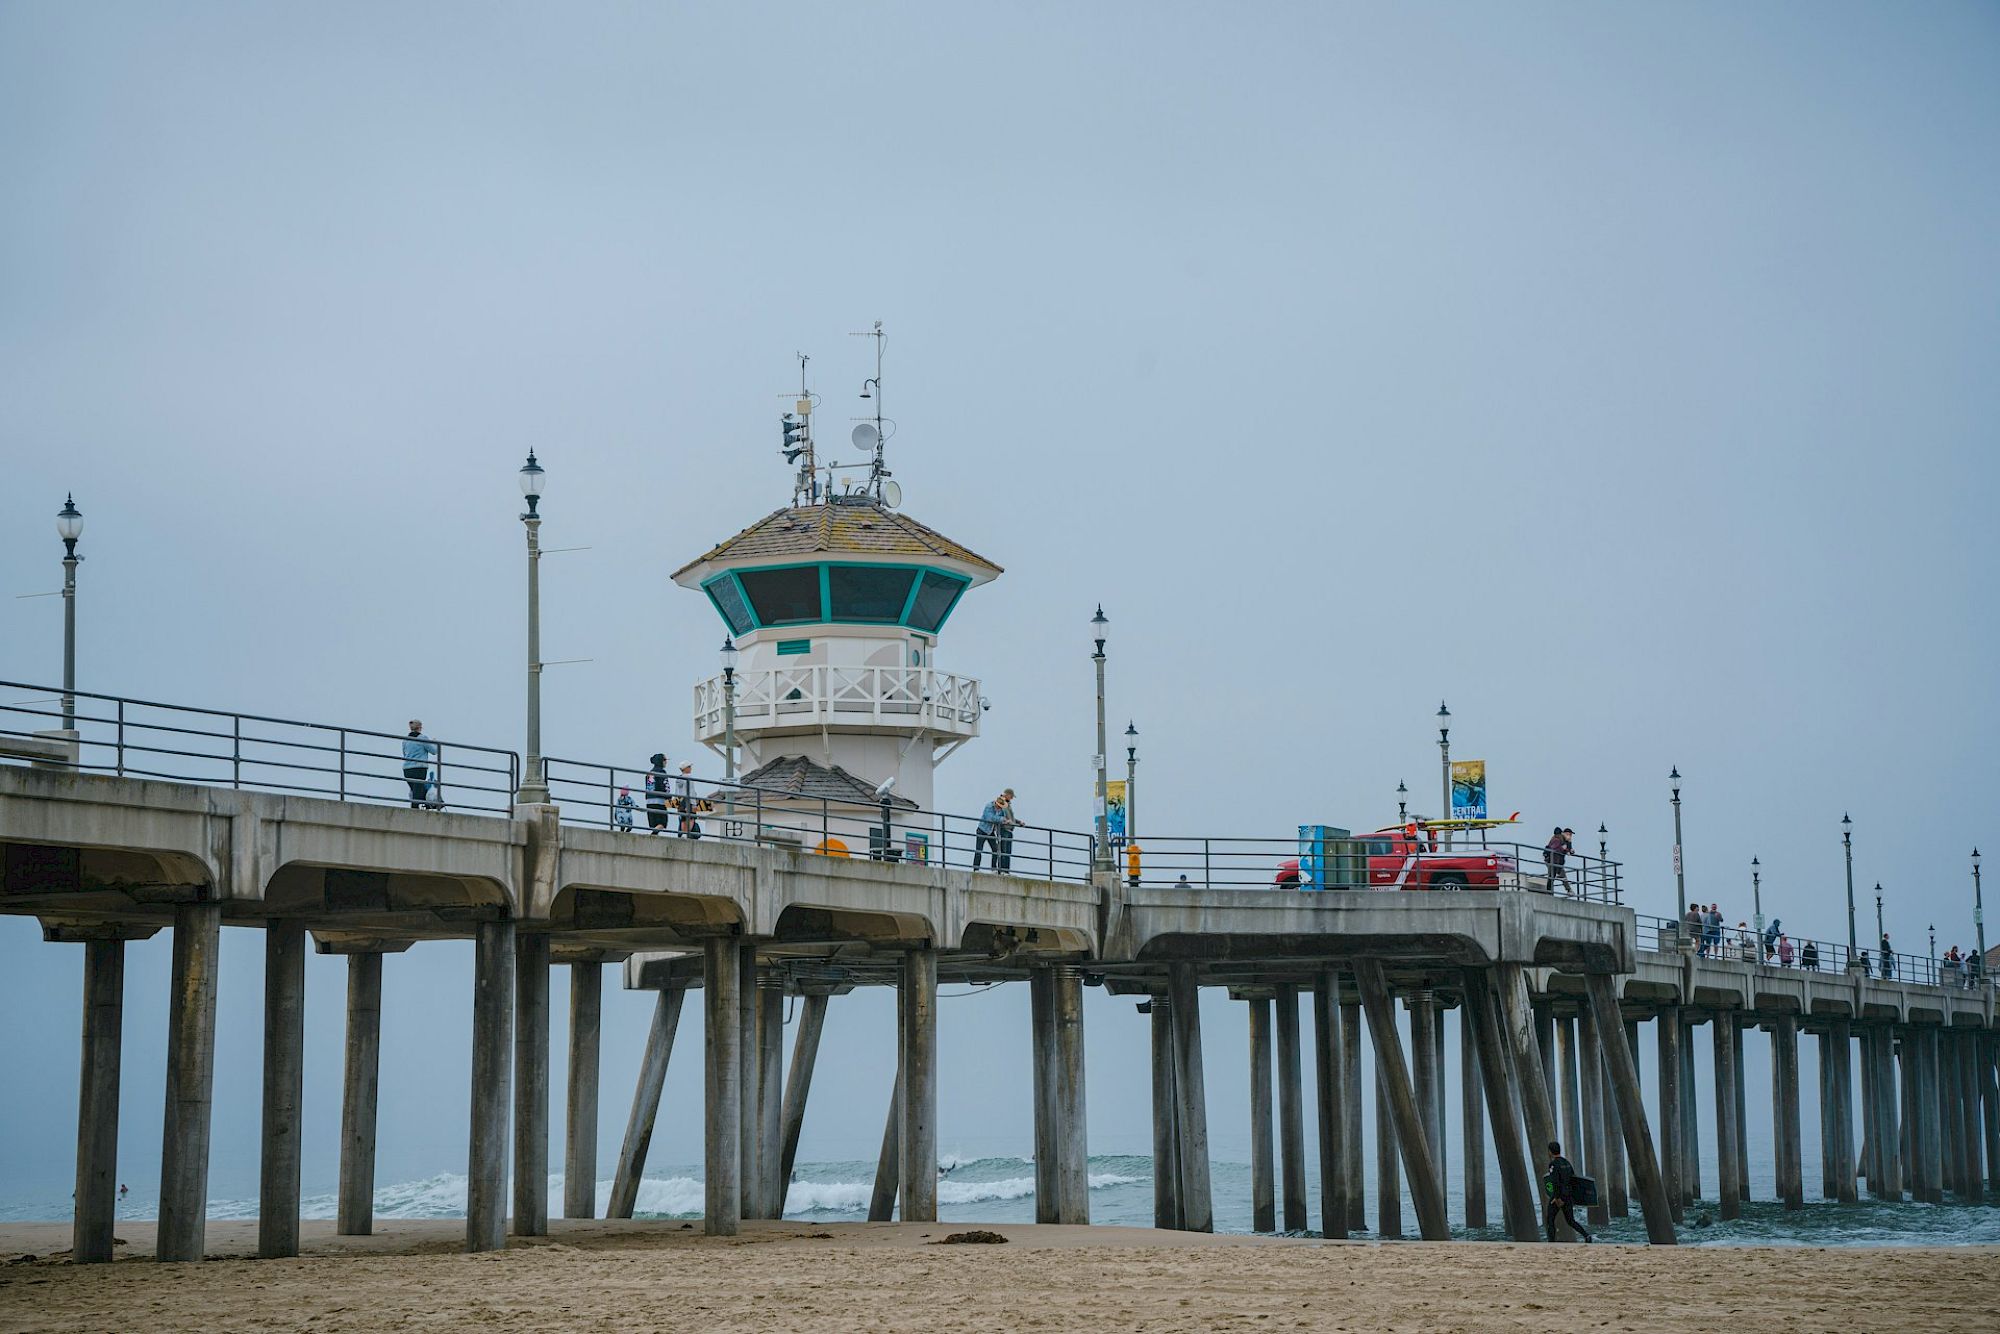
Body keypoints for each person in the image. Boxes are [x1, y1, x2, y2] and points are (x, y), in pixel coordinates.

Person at [1543, 1140, 1593, 1243]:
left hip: (1559, 1196)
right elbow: (1574, 1180)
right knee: (1570, 1220)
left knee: (1550, 1220)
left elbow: (1555, 1182)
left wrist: (1557, 1198)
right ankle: (1587, 1235)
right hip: (1568, 1195)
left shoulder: (1553, 1164)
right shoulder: (1567, 1163)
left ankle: (1551, 1242)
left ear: (1550, 1152)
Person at [402, 720, 440, 809]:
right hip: (419, 768)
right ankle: (415, 811)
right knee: (417, 792)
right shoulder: (422, 738)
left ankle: (427, 804)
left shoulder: (405, 740)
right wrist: (434, 743)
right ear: (420, 728)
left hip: (407, 769)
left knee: (415, 791)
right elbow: (434, 751)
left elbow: (405, 754)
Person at [973, 789, 1013, 871]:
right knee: (979, 850)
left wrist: (1008, 821)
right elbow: (990, 818)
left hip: (991, 831)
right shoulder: (989, 807)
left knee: (995, 850)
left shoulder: (1001, 810)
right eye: (999, 806)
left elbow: (1003, 817)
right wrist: (1002, 819)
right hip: (982, 830)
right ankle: (976, 869)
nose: (999, 808)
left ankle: (993, 868)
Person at [644, 754, 672, 834]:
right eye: (665, 760)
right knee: (662, 823)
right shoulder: (662, 772)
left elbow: (649, 787)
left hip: (649, 801)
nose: (666, 762)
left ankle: (653, 835)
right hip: (659, 801)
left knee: (653, 823)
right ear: (661, 761)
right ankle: (652, 835)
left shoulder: (650, 773)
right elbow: (665, 786)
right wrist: (668, 797)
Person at [675, 762, 702, 838]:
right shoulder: (689, 778)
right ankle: (687, 833)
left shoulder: (678, 778)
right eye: (689, 766)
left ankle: (683, 833)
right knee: (691, 818)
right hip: (689, 800)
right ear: (685, 768)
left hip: (681, 800)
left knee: (683, 818)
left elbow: (677, 791)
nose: (691, 768)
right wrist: (694, 803)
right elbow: (691, 792)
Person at [1543, 826, 1570, 895]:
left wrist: (1566, 850)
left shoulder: (1554, 839)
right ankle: (1568, 890)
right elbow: (1556, 848)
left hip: (1552, 861)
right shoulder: (1558, 840)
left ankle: (1549, 892)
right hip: (1555, 861)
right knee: (1560, 876)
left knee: (1552, 877)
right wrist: (1564, 850)